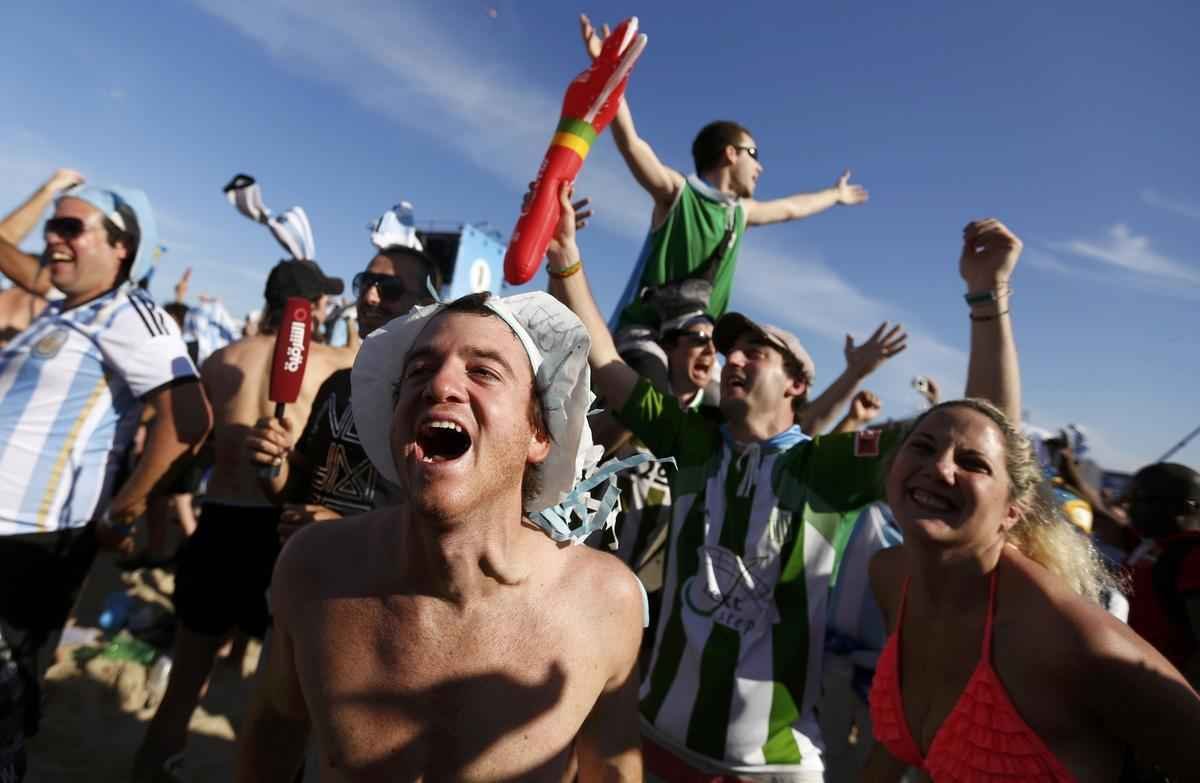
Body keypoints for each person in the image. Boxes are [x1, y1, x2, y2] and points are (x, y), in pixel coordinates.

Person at [544, 181, 928, 781]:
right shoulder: (694, 443)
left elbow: (962, 441)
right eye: (732, 352)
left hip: (772, 768)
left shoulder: (825, 468)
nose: (735, 360)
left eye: (757, 352)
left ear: (797, 384)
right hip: (656, 739)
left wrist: (987, 303)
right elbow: (610, 368)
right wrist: (566, 256)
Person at [235, 290, 645, 781]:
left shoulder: (606, 604)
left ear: (539, 434)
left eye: (484, 371)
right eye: (419, 371)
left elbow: (616, 769)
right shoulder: (315, 569)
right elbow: (272, 737)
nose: (440, 384)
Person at [863, 231, 1200, 780]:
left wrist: (989, 299)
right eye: (922, 446)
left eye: (973, 465)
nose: (940, 467)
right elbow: (896, 753)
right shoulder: (889, 578)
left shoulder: (1070, 637)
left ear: (1014, 509)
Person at [0, 178, 211, 779]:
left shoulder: (131, 313)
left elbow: (189, 419)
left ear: (122, 247)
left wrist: (122, 512)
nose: (53, 237)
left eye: (71, 227)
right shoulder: (62, 310)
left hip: (27, 543)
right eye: (52, 225)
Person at [133, 258, 349, 782]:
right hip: (281, 531)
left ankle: (152, 771)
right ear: (314, 307)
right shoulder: (330, 366)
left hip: (217, 524)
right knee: (278, 702)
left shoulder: (223, 358)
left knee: (184, 685)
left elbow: (193, 449)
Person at [578, 15, 870, 389]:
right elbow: (631, 143)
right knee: (648, 408)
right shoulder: (676, 193)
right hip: (647, 335)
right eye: (754, 154)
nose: (760, 167)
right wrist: (608, 72)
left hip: (699, 346)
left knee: (718, 420)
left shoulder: (739, 213)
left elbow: (793, 208)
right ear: (731, 153)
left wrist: (836, 194)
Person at [246, 243, 444, 535]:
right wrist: (273, 461)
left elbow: (442, 521)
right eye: (364, 283)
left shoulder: (437, 400)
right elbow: (291, 494)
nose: (369, 296)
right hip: (302, 567)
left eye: (389, 288)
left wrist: (349, 532)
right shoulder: (338, 384)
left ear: (426, 305)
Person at [1124, 462, 1200, 689]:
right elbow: (1104, 519)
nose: (1131, 509)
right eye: (1130, 500)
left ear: (1187, 507)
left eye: (1143, 500)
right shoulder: (1152, 546)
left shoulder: (1193, 556)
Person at [0, 169, 82, 346]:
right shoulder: (9, 294)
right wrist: (49, 190)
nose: (54, 239)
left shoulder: (62, 302)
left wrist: (49, 189)